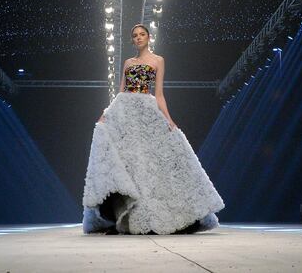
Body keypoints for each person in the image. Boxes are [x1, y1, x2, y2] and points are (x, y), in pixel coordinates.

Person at [82, 24, 224, 235]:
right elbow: (121, 92)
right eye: (135, 36)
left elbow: (159, 94)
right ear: (132, 40)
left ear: (149, 37)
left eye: (142, 34)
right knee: (131, 162)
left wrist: (168, 119)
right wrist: (107, 114)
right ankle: (125, 216)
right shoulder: (128, 63)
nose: (138, 38)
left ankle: (165, 213)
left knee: (153, 161)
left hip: (146, 112)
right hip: (126, 112)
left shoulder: (158, 60)